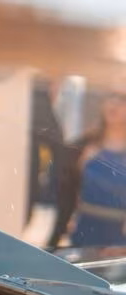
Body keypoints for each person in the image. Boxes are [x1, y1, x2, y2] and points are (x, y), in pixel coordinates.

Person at [50, 89, 126, 248]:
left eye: (123, 99)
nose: (115, 104)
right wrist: (54, 241)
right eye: (112, 96)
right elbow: (66, 197)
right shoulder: (83, 145)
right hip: (86, 231)